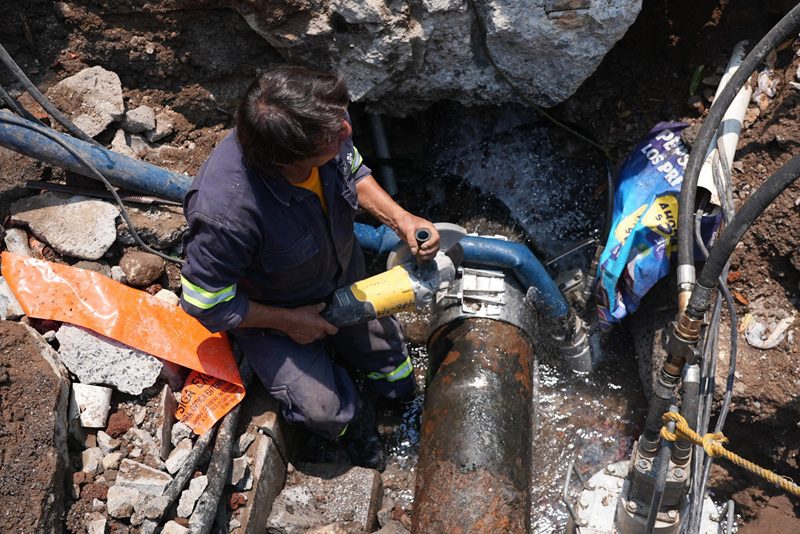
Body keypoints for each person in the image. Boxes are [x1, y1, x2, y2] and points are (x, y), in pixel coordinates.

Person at [179, 66, 440, 471]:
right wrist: (289, 322)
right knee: (323, 410)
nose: (347, 132)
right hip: (275, 314)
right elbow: (203, 301)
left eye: (342, 119)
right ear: (289, 161)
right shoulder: (227, 213)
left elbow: (353, 170)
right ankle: (354, 423)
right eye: (333, 137)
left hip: (342, 277)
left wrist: (401, 219)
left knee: (394, 366)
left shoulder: (318, 129)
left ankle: (398, 397)